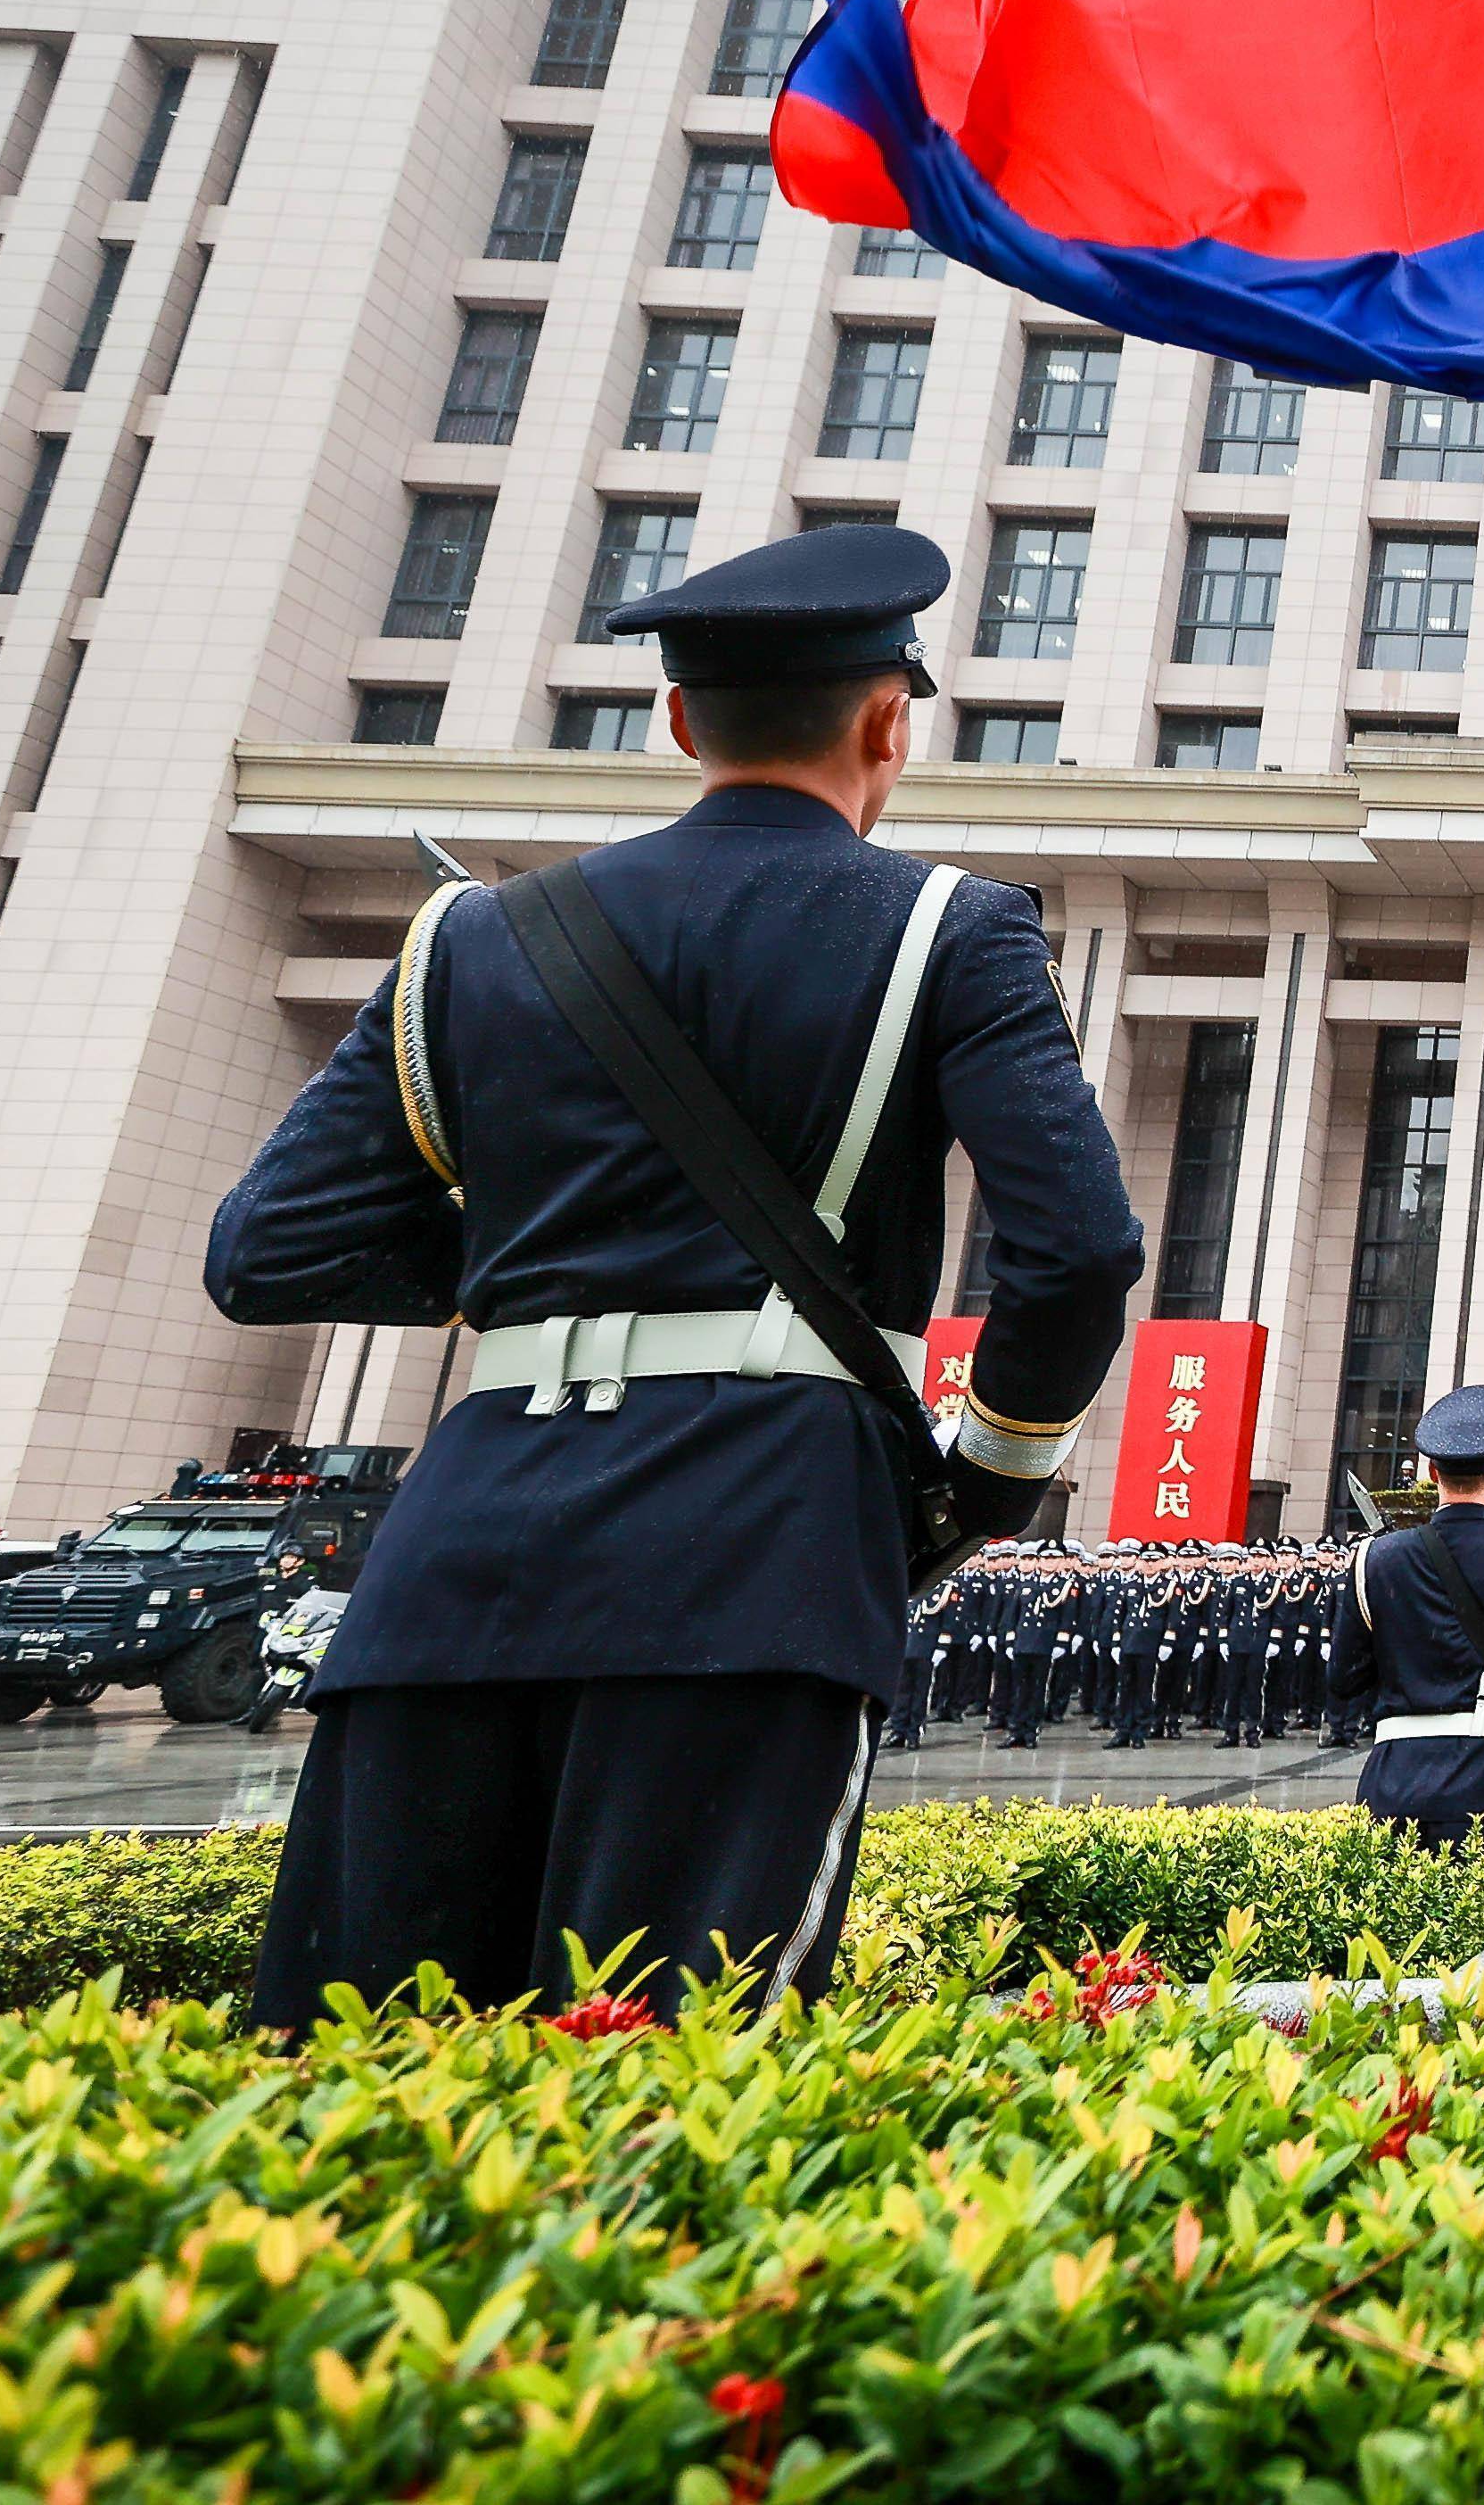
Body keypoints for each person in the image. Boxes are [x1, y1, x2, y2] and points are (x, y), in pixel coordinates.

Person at [209, 525, 1142, 2021]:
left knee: (360, 2061)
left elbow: (266, 1251)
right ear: (889, 721)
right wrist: (988, 1467)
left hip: (457, 1559)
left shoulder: (471, 937)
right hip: (753, 1543)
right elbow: (1080, 1248)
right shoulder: (949, 928)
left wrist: (531, 1270)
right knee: (669, 2067)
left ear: (679, 721)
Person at [1331, 1386, 1484, 1858]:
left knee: (1392, 1931)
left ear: (1432, 1473)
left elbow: (1343, 1679)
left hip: (1391, 1779)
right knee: (1479, 1929)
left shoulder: (1373, 1559)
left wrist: (1407, 1683)